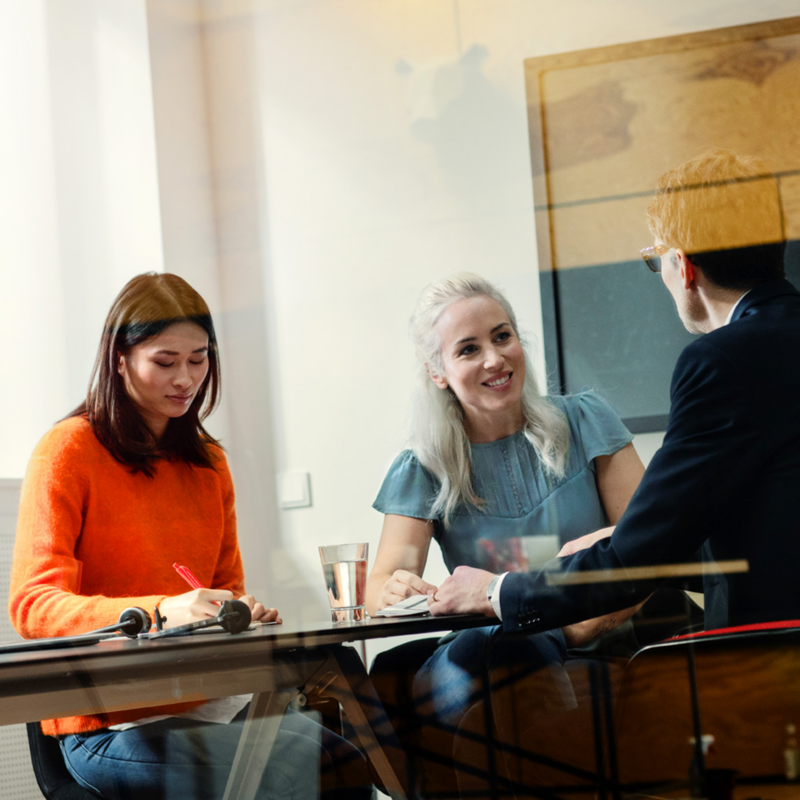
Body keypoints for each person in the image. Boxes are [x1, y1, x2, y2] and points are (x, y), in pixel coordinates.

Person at [8, 273, 371, 800]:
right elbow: (33, 605)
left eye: (198, 359)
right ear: (119, 357)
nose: (185, 378)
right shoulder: (67, 451)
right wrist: (163, 611)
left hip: (209, 703)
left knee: (342, 762)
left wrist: (241, 611)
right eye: (165, 361)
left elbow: (225, 588)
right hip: (108, 728)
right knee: (288, 768)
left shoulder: (208, 464)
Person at [429, 149, 799, 639]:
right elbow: (773, 528)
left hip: (773, 664)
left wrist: (497, 592)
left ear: (683, 266)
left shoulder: (719, 362)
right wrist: (627, 537)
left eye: (656, 261)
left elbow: (635, 561)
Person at [366, 273, 647, 796]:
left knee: (506, 667)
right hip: (485, 649)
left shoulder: (586, 421)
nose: (495, 359)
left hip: (593, 637)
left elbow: (649, 546)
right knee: (500, 656)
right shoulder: (423, 467)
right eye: (469, 349)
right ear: (439, 372)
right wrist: (395, 589)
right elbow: (382, 582)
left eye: (502, 336)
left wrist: (570, 626)